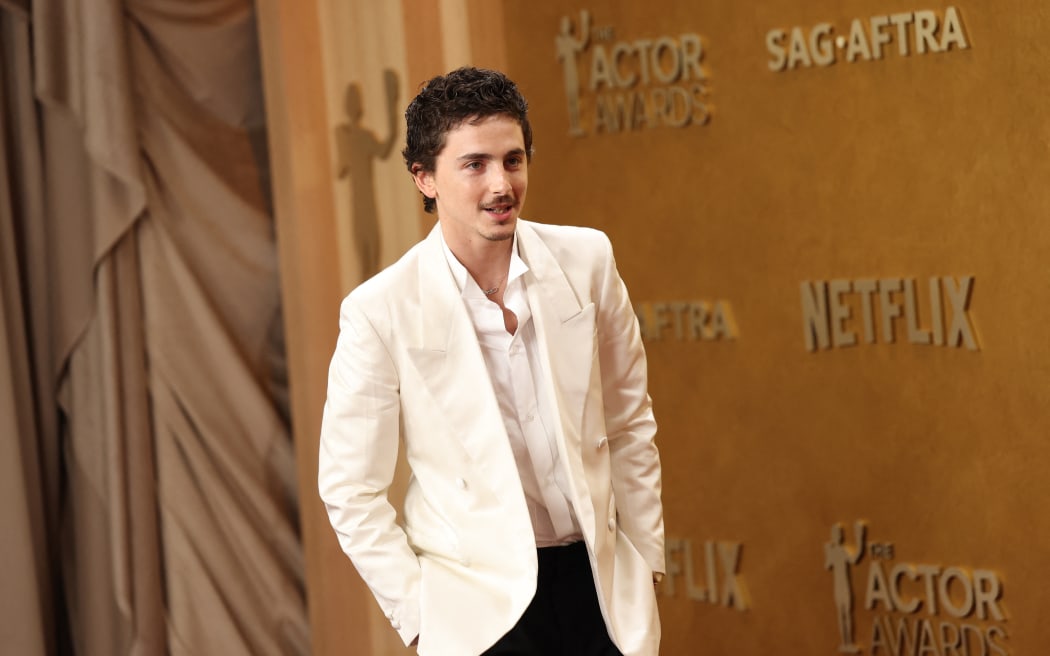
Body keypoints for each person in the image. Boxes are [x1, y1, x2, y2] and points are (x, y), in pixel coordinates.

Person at [318, 66, 665, 656]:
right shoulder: (380, 310)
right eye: (474, 164)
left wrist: (646, 560)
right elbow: (350, 489)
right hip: (478, 613)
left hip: (601, 589)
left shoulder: (588, 260)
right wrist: (423, 619)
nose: (501, 184)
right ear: (424, 177)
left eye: (513, 159)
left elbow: (631, 423)